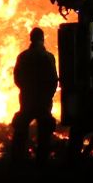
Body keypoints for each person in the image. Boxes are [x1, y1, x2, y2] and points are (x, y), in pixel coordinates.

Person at [10, 27, 58, 162]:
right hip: (43, 100)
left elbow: (17, 78)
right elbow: (53, 80)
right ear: (42, 39)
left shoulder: (23, 56)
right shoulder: (48, 57)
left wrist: (26, 90)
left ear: (31, 38)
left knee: (21, 129)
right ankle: (41, 163)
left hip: (27, 100)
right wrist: (48, 95)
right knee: (44, 133)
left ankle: (17, 161)